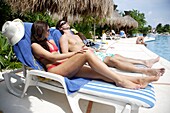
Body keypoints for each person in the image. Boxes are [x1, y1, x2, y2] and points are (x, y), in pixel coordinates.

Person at [31, 20, 164, 89]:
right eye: (47, 30)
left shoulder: (50, 40)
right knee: (87, 53)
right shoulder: (35, 46)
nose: (49, 32)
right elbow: (53, 57)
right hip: (55, 70)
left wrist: (75, 56)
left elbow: (58, 54)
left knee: (101, 73)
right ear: (39, 31)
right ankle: (120, 81)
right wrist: (76, 53)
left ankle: (139, 80)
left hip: (66, 66)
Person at [56, 20, 164, 76]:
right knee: (113, 60)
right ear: (60, 27)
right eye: (63, 23)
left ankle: (145, 62)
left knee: (117, 56)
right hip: (86, 57)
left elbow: (84, 45)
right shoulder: (64, 38)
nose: (66, 23)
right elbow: (65, 54)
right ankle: (144, 71)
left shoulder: (75, 35)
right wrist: (80, 59)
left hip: (94, 52)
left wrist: (96, 49)